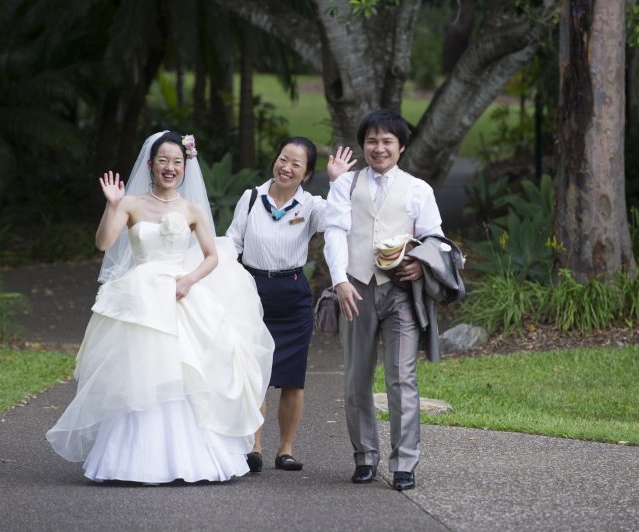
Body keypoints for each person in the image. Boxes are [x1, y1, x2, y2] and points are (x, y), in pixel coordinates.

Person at [46, 131, 274, 484]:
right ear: (150, 164)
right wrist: (111, 204)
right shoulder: (131, 203)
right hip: (140, 297)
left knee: (185, 370)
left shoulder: (192, 209)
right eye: (164, 161)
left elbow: (212, 256)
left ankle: (190, 458)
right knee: (141, 369)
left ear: (185, 167)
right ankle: (131, 460)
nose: (170, 168)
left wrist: (189, 280)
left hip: (182, 295)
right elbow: (104, 242)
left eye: (177, 162)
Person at [323, 109, 444, 491]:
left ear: (401, 146)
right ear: (363, 145)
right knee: (356, 378)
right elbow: (334, 234)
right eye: (372, 141)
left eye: (387, 141)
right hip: (355, 288)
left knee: (401, 379)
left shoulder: (418, 189)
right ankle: (365, 457)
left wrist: (422, 267)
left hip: (401, 295)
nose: (379, 148)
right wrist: (340, 281)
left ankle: (405, 462)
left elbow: (436, 240)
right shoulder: (345, 185)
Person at [226, 137, 355, 472]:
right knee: (253, 373)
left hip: (293, 295)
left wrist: (337, 183)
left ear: (307, 173)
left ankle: (285, 450)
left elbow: (340, 223)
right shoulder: (251, 197)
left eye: (296, 165)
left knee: (292, 378)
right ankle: (253, 446)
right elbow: (232, 242)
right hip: (250, 291)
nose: (286, 168)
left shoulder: (311, 206)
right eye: (283, 159)